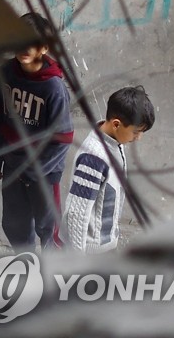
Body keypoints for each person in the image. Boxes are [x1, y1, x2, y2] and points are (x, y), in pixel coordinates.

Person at [0, 12, 73, 250]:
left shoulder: (53, 87)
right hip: (13, 166)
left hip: (43, 173)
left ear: (44, 47)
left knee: (48, 229)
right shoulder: (5, 73)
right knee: (14, 224)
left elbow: (63, 138)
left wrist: (35, 172)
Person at [62, 85, 155, 253]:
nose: (138, 138)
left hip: (105, 246)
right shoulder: (95, 157)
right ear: (116, 124)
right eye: (136, 132)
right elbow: (76, 212)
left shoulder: (114, 142)